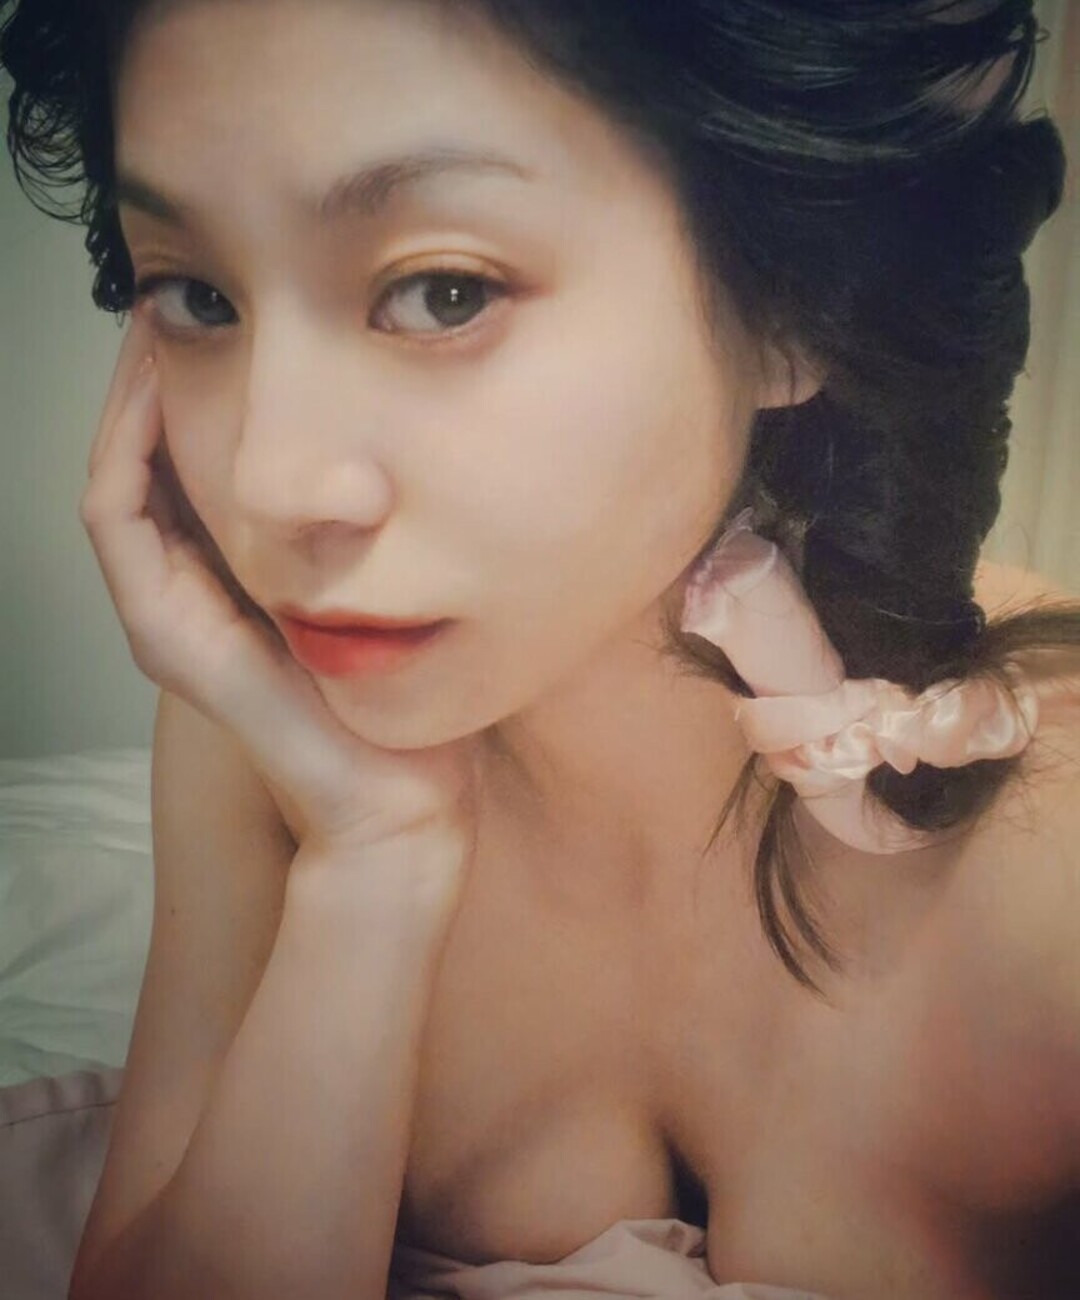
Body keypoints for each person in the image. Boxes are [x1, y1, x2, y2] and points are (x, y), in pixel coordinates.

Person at [2, 0, 1078, 1296]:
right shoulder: (256, 729)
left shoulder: (1048, 833)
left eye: (442, 292)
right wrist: (374, 858)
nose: (269, 483)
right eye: (198, 294)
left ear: (796, 302)